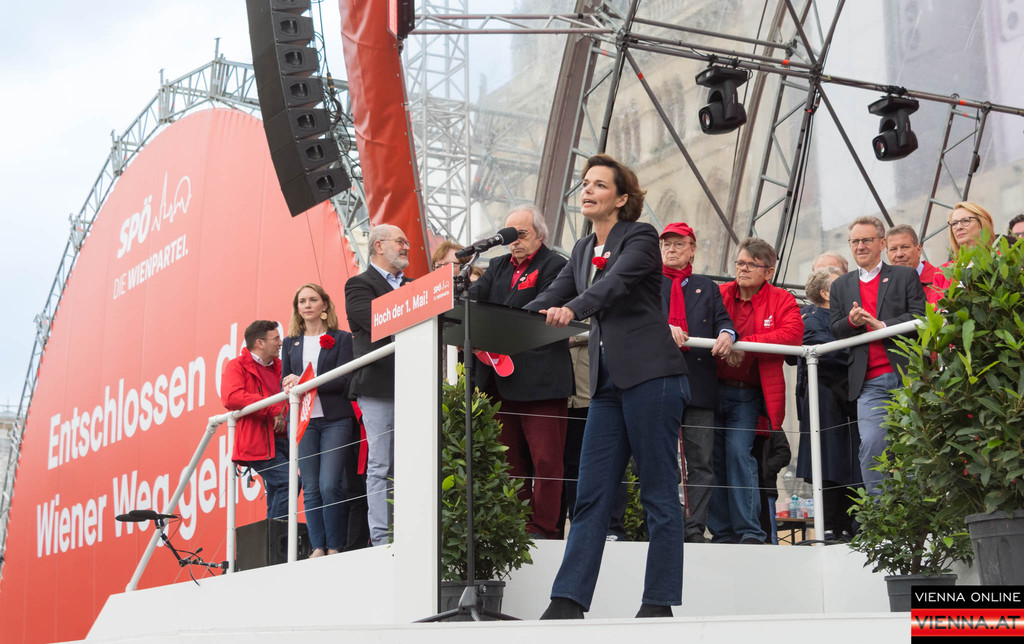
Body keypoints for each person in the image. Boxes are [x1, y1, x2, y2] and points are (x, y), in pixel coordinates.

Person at [527, 153, 689, 619]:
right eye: (584, 182)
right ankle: (567, 601)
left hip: (652, 377)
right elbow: (550, 295)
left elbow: (613, 285)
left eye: (599, 184)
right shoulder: (581, 250)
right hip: (606, 387)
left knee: (658, 492)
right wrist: (506, 319)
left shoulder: (640, 237)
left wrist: (573, 309)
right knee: (591, 494)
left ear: (621, 198)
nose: (587, 189)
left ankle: (658, 602)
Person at [469, 204, 573, 539]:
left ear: (540, 234)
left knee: (546, 460)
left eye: (521, 233)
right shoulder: (498, 266)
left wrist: (496, 325)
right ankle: (517, 526)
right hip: (499, 382)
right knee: (508, 460)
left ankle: (544, 528)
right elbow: (473, 301)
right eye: (509, 234)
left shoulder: (556, 265)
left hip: (541, 380)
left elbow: (541, 308)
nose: (514, 240)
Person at [711, 238, 803, 545]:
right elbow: (702, 324)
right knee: (712, 459)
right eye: (740, 263)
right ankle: (722, 533)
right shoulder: (720, 293)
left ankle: (749, 532)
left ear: (769, 272)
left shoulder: (781, 299)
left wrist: (744, 345)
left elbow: (793, 334)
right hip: (710, 390)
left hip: (747, 394)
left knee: (739, 455)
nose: (743, 269)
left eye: (752, 264)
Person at [829, 216, 926, 493]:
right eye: (855, 241)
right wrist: (852, 322)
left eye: (866, 240)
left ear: (882, 243)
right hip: (869, 383)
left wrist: (881, 326)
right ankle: (880, 513)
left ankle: (918, 512)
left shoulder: (905, 276)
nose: (860, 246)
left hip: (908, 376)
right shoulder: (841, 286)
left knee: (916, 445)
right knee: (872, 445)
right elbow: (835, 329)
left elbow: (920, 317)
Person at [658, 221, 734, 543]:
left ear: (692, 249)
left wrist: (727, 335)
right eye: (666, 244)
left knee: (701, 461)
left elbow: (724, 322)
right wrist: (664, 327)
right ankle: (665, 525)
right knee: (659, 459)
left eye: (678, 244)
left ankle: (693, 530)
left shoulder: (707, 287)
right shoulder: (648, 282)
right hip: (658, 380)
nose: (671, 250)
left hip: (698, 382)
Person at [281, 283, 361, 557]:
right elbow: (285, 380)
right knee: (312, 487)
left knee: (330, 484)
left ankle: (335, 546)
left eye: (313, 299)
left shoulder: (342, 338)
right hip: (302, 422)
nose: (307, 305)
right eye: (301, 301)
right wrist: (289, 383)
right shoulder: (290, 343)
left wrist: (307, 381)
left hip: (335, 420)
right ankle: (317, 546)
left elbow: (345, 379)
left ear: (324, 305)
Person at [344, 224, 412, 546]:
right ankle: (382, 538)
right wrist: (416, 305)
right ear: (378, 246)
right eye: (400, 241)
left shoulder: (415, 286)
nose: (406, 246)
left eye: (406, 242)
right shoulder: (359, 284)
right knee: (382, 463)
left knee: (414, 461)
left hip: (416, 384)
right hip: (378, 386)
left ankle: (411, 532)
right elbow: (375, 321)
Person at [793, 268, 860, 539]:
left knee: (848, 463)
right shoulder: (811, 319)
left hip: (845, 401)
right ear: (825, 293)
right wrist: (858, 354)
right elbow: (823, 350)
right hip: (826, 402)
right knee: (829, 463)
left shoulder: (841, 319)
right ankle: (833, 526)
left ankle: (850, 524)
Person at [221, 320, 289, 520]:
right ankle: (275, 536)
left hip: (285, 440)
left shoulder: (281, 366)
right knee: (289, 483)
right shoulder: (237, 365)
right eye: (276, 338)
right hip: (258, 441)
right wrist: (272, 409)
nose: (280, 343)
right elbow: (231, 397)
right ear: (260, 343)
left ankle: (273, 537)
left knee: (278, 488)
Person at [932, 202, 996, 294]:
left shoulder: (1000, 261)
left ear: (982, 224)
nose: (958, 227)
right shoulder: (942, 272)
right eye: (954, 223)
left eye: (966, 221)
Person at [885, 224, 940, 304]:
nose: (899, 254)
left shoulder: (941, 281)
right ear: (887, 254)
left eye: (905, 247)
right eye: (893, 249)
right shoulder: (882, 287)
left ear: (918, 250)